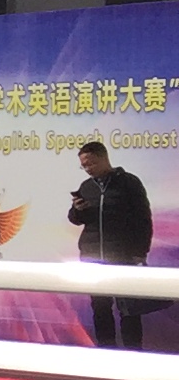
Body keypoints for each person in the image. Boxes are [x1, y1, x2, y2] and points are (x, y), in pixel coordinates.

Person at [71, 140, 155, 347]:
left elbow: (143, 219)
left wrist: (140, 252)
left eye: (91, 163)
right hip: (92, 257)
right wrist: (77, 210)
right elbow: (75, 219)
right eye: (84, 166)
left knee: (129, 309)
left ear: (104, 158)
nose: (88, 169)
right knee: (100, 309)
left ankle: (133, 353)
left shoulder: (129, 183)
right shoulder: (86, 187)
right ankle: (106, 351)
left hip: (123, 256)